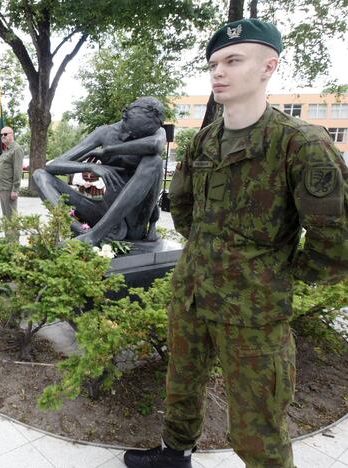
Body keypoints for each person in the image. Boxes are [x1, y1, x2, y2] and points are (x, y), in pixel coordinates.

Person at [123, 19, 348, 468]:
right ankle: (174, 454)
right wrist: (210, 252)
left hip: (253, 311)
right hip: (192, 294)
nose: (218, 72)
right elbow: (182, 207)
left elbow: (337, 240)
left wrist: (281, 271)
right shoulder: (205, 140)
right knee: (181, 385)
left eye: (232, 60)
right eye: (213, 64)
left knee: (257, 422)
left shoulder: (300, 144)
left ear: (269, 66)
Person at [32, 97, 166, 245]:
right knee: (40, 175)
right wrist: (91, 167)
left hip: (133, 219)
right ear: (125, 117)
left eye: (138, 136)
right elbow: (52, 166)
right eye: (129, 131)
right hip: (103, 212)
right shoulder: (104, 133)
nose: (131, 137)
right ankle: (81, 231)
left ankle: (94, 235)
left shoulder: (156, 132)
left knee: (155, 160)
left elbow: (155, 145)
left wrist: (108, 151)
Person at [0, 126, 23, 240]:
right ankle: (9, 241)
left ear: (11, 134)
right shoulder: (7, 149)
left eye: (5, 134)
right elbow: (2, 162)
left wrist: (15, 189)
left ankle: (14, 244)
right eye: (1, 135)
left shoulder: (16, 149)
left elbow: (18, 170)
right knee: (6, 216)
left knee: (11, 216)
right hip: (3, 187)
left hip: (9, 188)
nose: (2, 136)